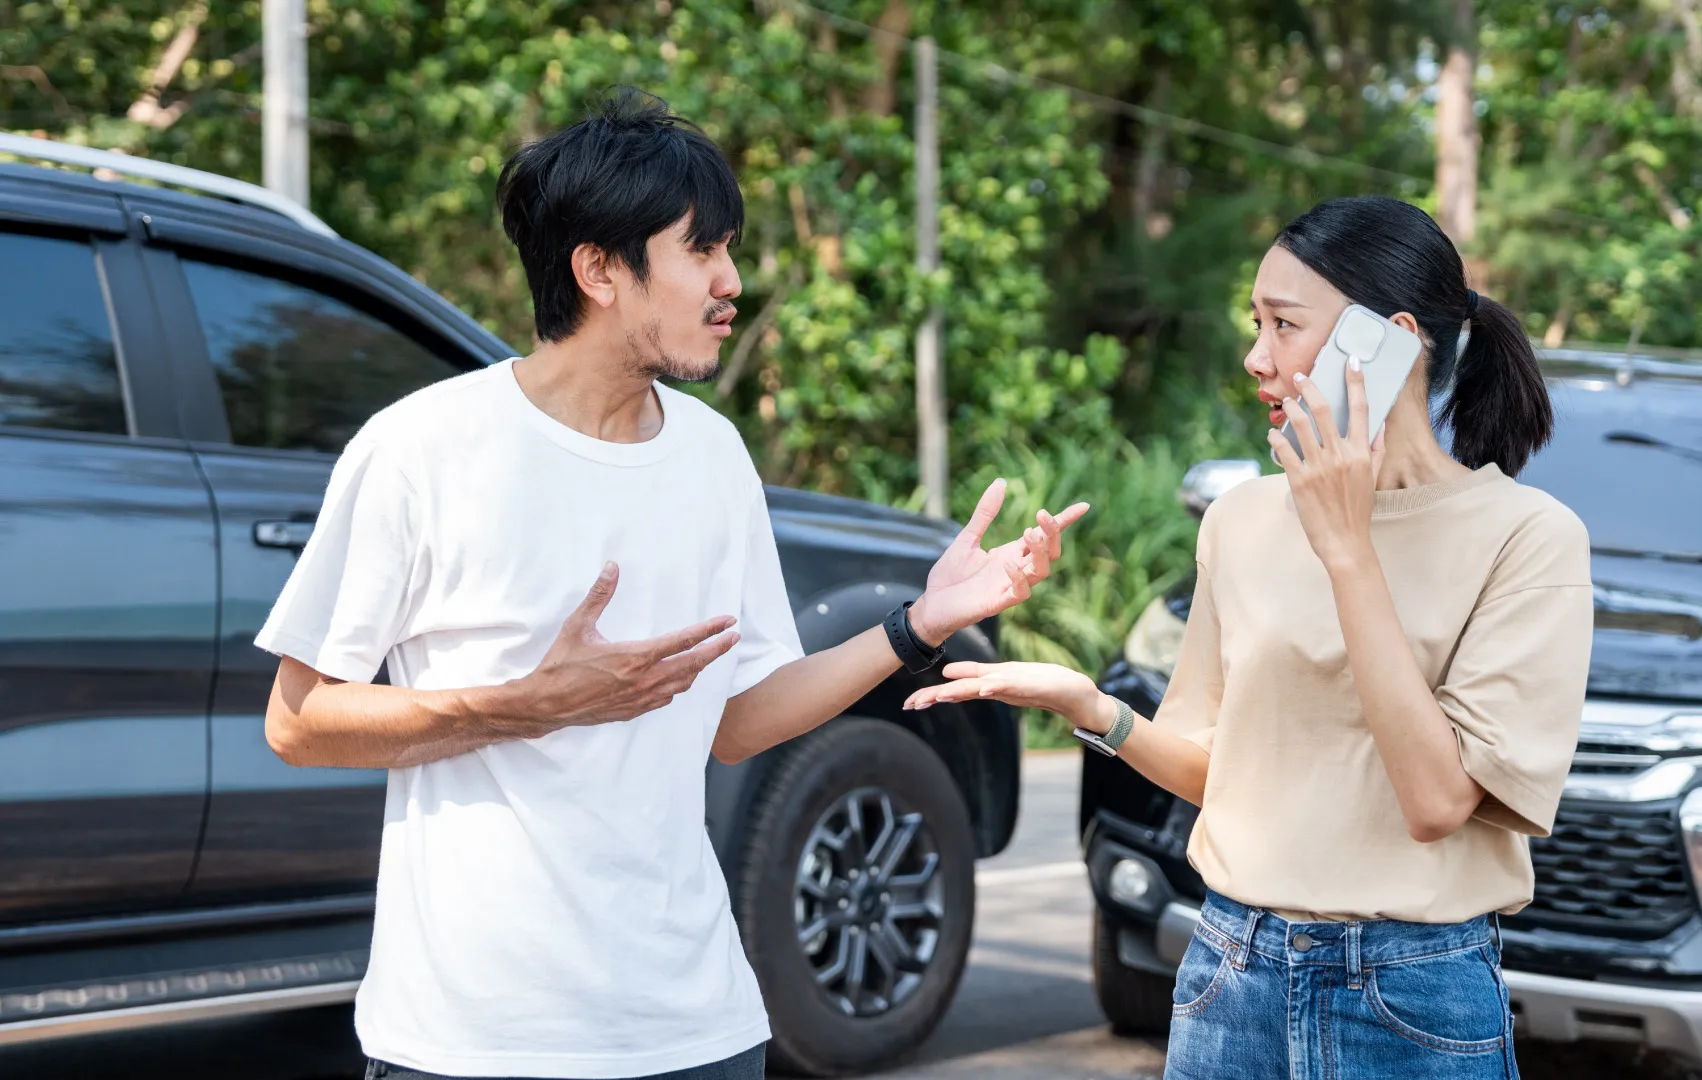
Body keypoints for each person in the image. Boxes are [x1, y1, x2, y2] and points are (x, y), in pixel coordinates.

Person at [256, 89, 1087, 1080]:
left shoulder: (712, 455)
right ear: (598, 269)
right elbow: (298, 721)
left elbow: (737, 720)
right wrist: (524, 707)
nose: (730, 280)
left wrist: (919, 623)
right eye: (701, 250)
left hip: (698, 1030)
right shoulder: (423, 449)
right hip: (475, 1040)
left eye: (729, 249)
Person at [906, 196, 1593, 1079]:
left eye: (1283, 324)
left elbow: (1436, 802)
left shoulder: (1527, 538)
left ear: (1387, 341)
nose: (1255, 357)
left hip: (1412, 997)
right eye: (1254, 322)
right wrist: (1095, 708)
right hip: (1230, 973)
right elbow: (1217, 774)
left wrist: (1348, 550)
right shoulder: (1241, 521)